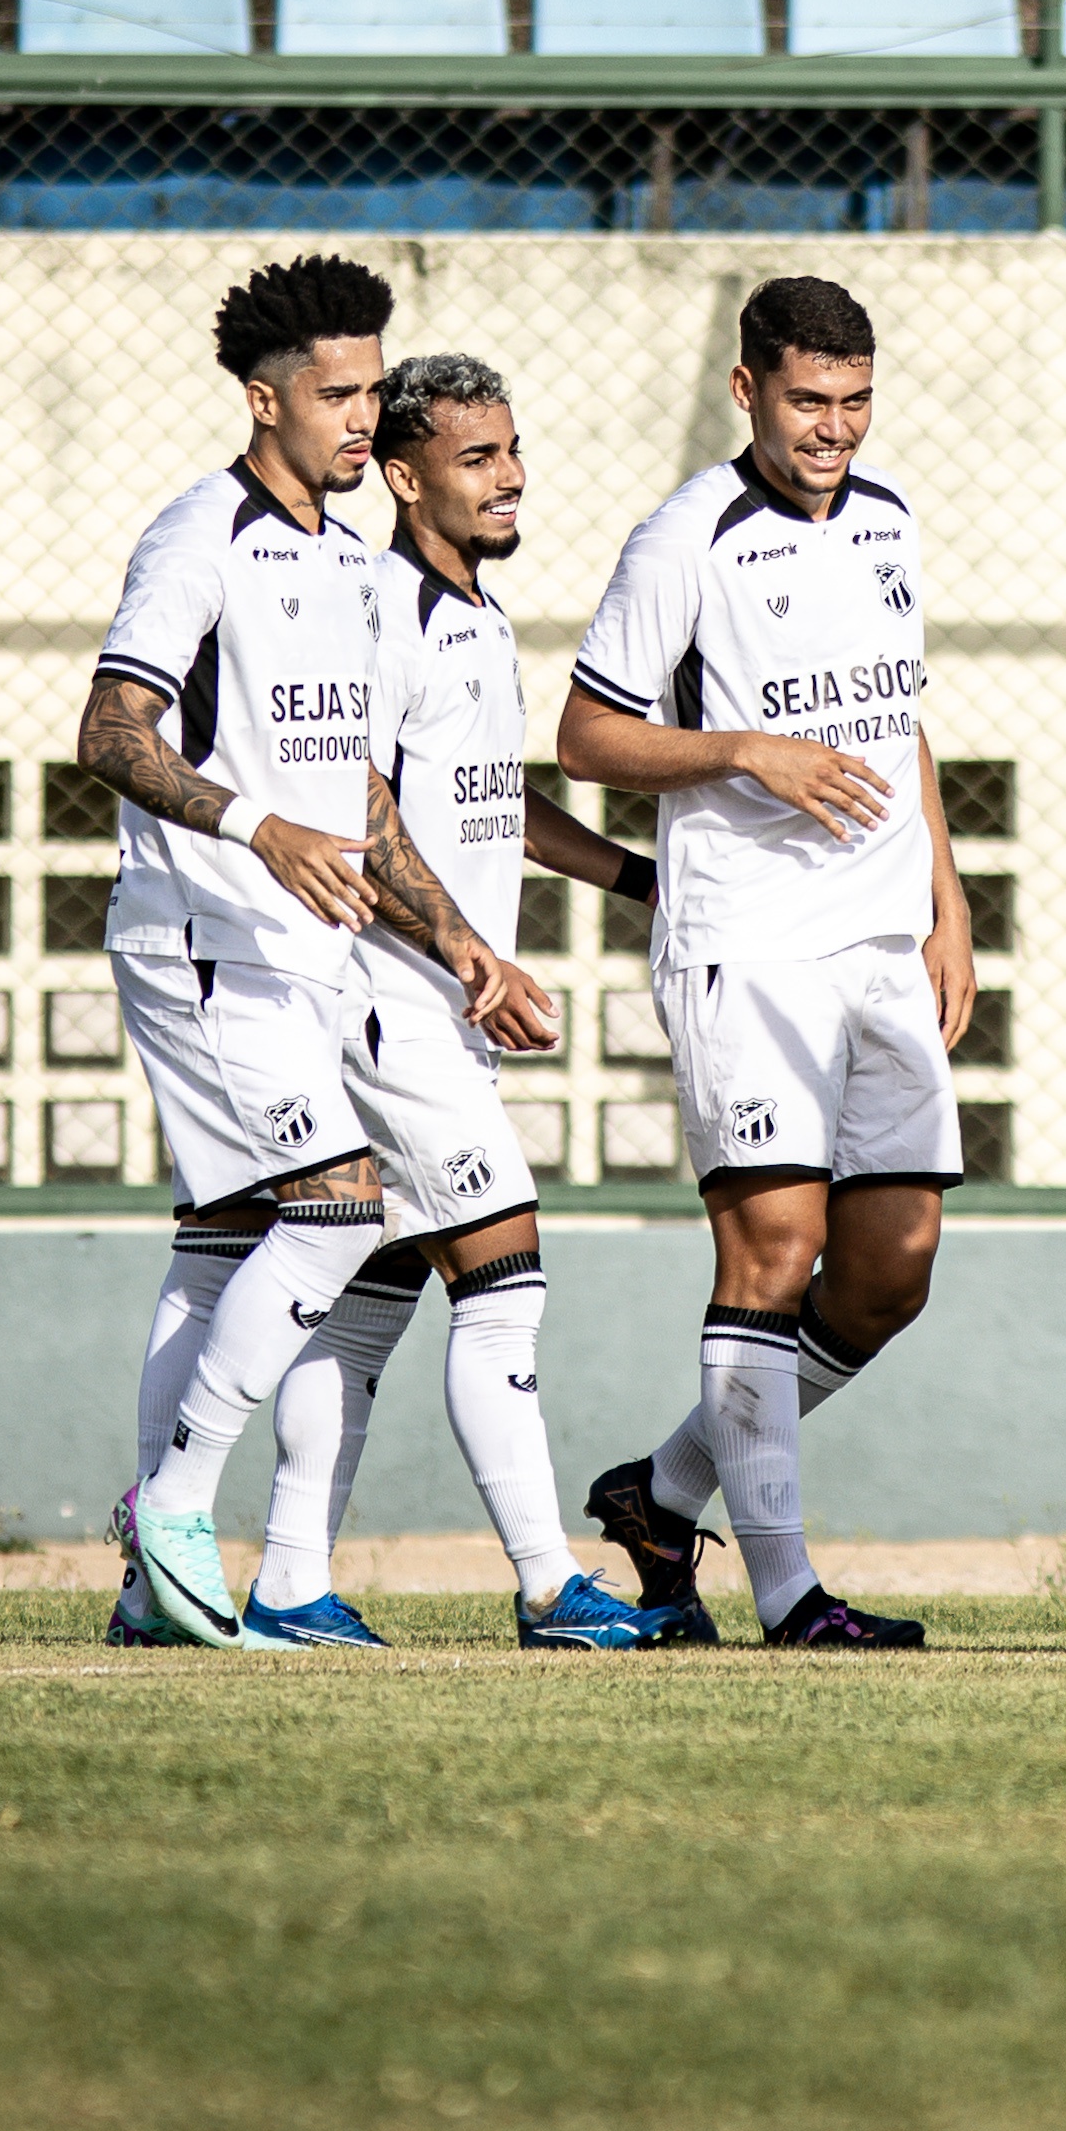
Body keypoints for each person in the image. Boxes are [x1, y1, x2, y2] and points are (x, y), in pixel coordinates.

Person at [90, 256, 540, 1650]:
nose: (362, 414)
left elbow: (363, 801)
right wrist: (252, 823)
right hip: (201, 935)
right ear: (263, 397)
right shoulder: (197, 536)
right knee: (342, 1208)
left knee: (229, 1243)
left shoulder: (355, 563)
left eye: (369, 387)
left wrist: (463, 940)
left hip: (306, 953)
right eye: (336, 392)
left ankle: (153, 1591)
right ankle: (169, 1505)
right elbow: (111, 733)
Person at [210, 353, 684, 1652]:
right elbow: (358, 806)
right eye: (478, 459)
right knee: (507, 1269)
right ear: (406, 476)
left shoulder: (476, 613)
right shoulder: (378, 605)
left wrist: (636, 874)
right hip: (385, 1003)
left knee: (369, 1314)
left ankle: (290, 1585)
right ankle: (547, 1585)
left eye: (514, 450)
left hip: (438, 1005)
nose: (512, 475)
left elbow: (493, 802)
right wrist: (473, 949)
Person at [567, 277, 982, 1652]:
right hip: (745, 944)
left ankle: (663, 1487)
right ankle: (790, 1593)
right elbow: (585, 738)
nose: (836, 428)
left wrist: (949, 896)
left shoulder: (891, 517)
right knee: (777, 1244)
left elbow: (900, 714)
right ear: (747, 390)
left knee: (891, 1269)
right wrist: (745, 748)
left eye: (856, 401)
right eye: (810, 400)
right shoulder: (686, 537)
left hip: (880, 948)